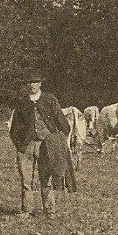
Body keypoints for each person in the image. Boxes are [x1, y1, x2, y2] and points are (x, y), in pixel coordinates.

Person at [8, 75, 71, 215]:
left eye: (35, 82)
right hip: (26, 146)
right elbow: (14, 128)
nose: (32, 85)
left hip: (47, 146)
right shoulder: (21, 102)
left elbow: (63, 124)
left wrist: (57, 142)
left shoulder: (50, 100)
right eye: (29, 82)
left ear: (40, 83)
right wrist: (19, 144)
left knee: (46, 178)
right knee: (26, 181)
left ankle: (50, 210)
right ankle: (27, 210)